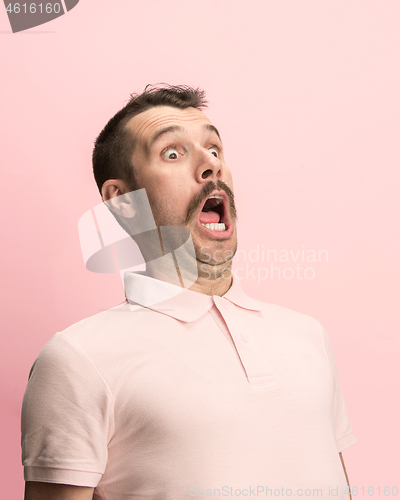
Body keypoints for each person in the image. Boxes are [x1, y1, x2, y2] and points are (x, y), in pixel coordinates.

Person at [22, 85, 356, 500]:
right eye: (173, 153)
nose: (210, 166)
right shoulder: (77, 358)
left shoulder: (308, 336)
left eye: (215, 149)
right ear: (123, 202)